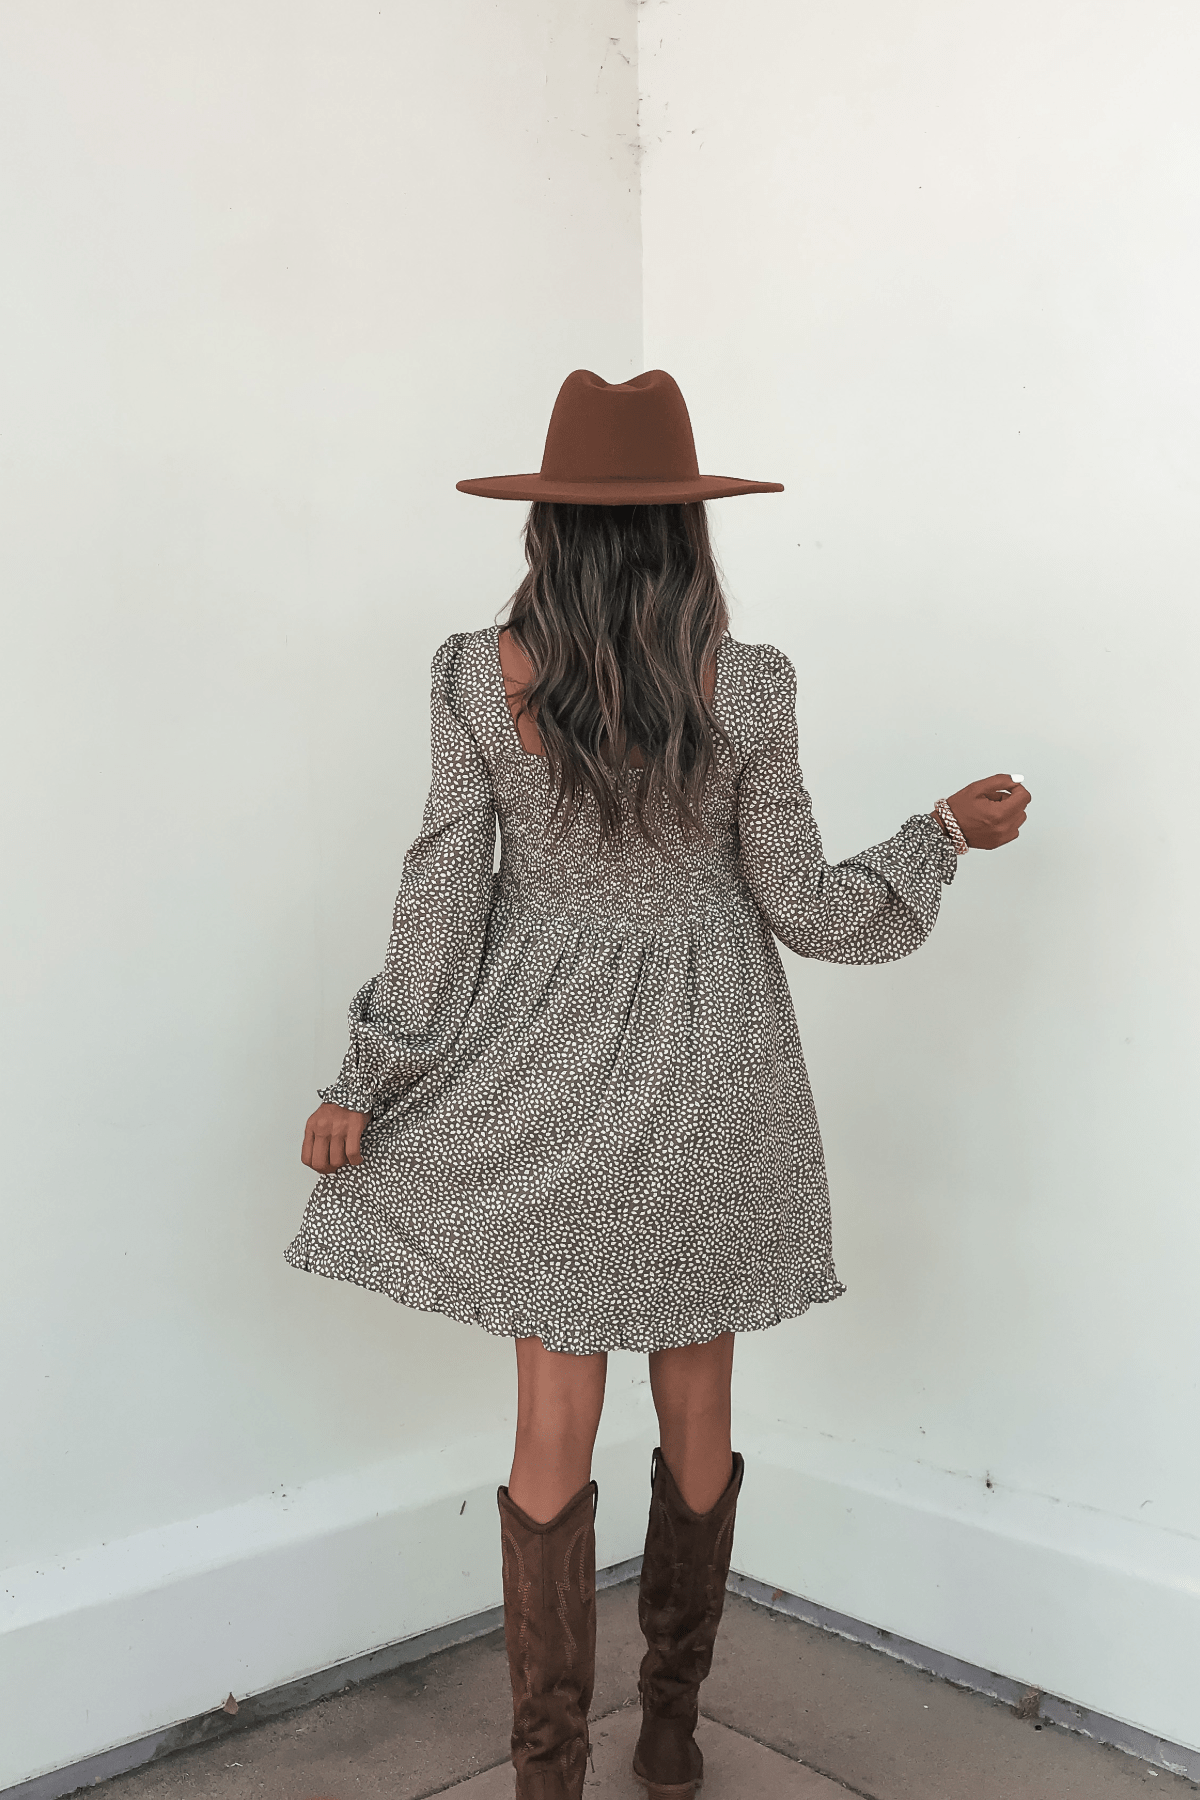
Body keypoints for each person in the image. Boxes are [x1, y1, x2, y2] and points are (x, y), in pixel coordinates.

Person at [286, 369, 1030, 1800]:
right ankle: (673, 1734)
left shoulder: (467, 675)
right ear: (690, 528)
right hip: (718, 1074)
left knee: (550, 1420)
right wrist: (940, 834)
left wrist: (366, 1078)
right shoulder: (747, 686)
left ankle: (547, 1775)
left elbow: (440, 901)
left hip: (539, 1073)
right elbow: (808, 909)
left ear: (547, 528)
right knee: (699, 1406)